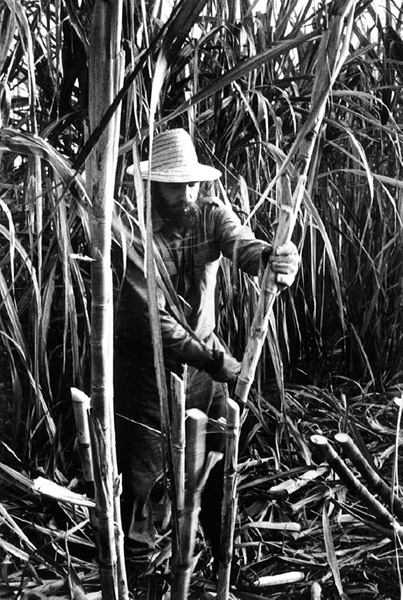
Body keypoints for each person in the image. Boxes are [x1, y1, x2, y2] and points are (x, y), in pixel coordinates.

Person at [113, 128, 300, 593]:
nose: (186, 192)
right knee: (142, 487)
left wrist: (277, 262)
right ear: (154, 184)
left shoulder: (209, 214)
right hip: (148, 373)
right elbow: (159, 326)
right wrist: (222, 364)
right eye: (175, 184)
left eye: (191, 182)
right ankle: (134, 580)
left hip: (204, 370)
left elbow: (246, 248)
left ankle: (226, 570)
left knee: (219, 465)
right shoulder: (134, 236)